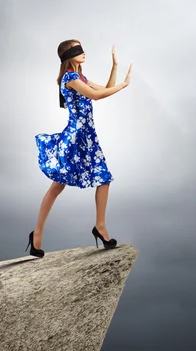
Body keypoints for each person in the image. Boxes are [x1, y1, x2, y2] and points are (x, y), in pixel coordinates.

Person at [26, 40, 132, 258]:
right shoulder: (70, 78)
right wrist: (123, 85)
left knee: (103, 179)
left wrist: (114, 67)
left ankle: (100, 227)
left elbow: (103, 89)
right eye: (77, 50)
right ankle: (37, 235)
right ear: (67, 56)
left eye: (82, 48)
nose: (83, 53)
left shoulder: (80, 77)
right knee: (58, 186)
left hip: (87, 136)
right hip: (75, 137)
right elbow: (96, 95)